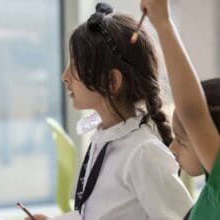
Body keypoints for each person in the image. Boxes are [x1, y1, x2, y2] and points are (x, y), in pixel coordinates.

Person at [26, 2, 192, 220]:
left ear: (112, 81)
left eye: (75, 67)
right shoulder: (105, 137)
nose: (64, 76)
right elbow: (96, 213)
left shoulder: (143, 152)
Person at [141, 0, 220, 219]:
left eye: (183, 141)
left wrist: (163, 23)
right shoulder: (210, 191)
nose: (173, 148)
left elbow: (192, 113)